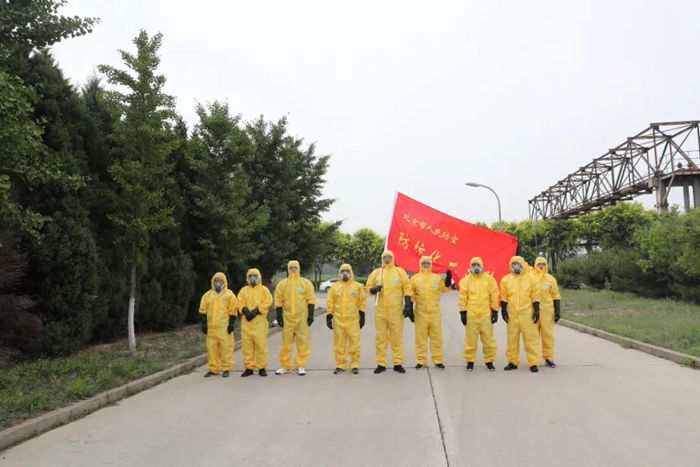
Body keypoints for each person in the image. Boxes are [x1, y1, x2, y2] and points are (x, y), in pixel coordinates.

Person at [366, 250, 413, 374]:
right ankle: (381, 364)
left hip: (395, 311)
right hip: (380, 311)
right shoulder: (377, 273)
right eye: (385, 257)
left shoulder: (399, 272)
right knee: (380, 339)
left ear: (393, 258)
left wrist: (408, 304)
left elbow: (407, 287)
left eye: (389, 257)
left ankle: (398, 363)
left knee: (396, 338)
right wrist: (373, 289)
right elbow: (367, 287)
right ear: (382, 259)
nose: (387, 259)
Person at [274, 260, 317, 376]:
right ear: (288, 269)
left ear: (299, 269)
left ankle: (301, 365)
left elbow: (311, 299)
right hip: (287, 318)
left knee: (302, 342)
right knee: (286, 344)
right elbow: (278, 300)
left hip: (302, 318)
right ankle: (286, 366)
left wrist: (311, 315)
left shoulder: (305, 283)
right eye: (291, 268)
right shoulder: (282, 284)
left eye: (295, 268)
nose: (293, 270)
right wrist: (279, 316)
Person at [500, 256, 542, 373]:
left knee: (531, 339)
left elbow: (535, 295)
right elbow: (504, 297)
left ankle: (533, 363)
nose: (516, 266)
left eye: (518, 264)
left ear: (522, 264)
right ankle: (512, 362)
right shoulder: (506, 280)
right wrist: (504, 311)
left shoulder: (531, 278)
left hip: (527, 314)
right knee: (512, 339)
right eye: (513, 264)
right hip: (512, 315)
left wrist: (536, 310)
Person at [458, 257, 500, 372]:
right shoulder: (466, 281)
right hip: (471, 315)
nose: (476, 267)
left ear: (482, 265)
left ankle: (489, 361)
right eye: (473, 265)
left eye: (478, 265)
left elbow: (494, 295)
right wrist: (462, 312)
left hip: (485, 315)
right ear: (470, 266)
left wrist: (495, 311)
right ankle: (470, 361)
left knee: (488, 340)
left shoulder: (489, 280)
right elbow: (462, 297)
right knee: (470, 340)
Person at [410, 256, 451, 369]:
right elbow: (411, 293)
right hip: (421, 313)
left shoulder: (436, 278)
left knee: (436, 338)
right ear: (420, 264)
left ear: (431, 264)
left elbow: (444, 289)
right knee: (420, 338)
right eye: (423, 263)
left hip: (434, 313)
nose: (426, 265)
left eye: (428, 263)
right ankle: (421, 361)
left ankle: (438, 360)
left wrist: (448, 280)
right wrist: (409, 306)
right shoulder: (415, 279)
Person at [326, 263, 367, 374]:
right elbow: (330, 302)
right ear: (339, 273)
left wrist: (362, 315)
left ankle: (355, 365)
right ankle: (340, 365)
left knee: (354, 344)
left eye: (347, 271)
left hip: (353, 321)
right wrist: (329, 315)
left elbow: (362, 301)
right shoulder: (335, 287)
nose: (345, 273)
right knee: (339, 344)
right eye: (342, 271)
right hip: (339, 321)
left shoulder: (357, 287)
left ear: (351, 272)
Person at [199, 272, 238, 378]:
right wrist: (204, 323)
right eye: (216, 280)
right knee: (212, 349)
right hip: (211, 328)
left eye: (220, 281)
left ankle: (226, 368)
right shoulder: (207, 295)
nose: (218, 283)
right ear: (213, 281)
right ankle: (213, 369)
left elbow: (233, 310)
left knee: (226, 348)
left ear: (224, 282)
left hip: (224, 328)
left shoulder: (229, 295)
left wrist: (231, 323)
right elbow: (203, 310)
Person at [238, 268, 273, 377]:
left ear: (259, 277)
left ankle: (262, 367)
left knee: (261, 345)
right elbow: (239, 302)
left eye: (255, 276)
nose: (252, 278)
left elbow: (268, 302)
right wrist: (245, 311)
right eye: (250, 276)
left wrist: (255, 312)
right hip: (246, 322)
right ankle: (249, 368)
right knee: (247, 346)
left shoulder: (264, 290)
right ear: (247, 278)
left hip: (259, 321)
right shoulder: (243, 290)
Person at [532, 256, 562, 368]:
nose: (541, 266)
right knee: (533, 336)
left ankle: (548, 358)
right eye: (539, 264)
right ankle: (533, 360)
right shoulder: (530, 277)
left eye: (543, 264)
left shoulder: (550, 279)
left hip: (547, 311)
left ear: (546, 265)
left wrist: (557, 311)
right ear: (535, 265)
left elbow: (556, 295)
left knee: (547, 336)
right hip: (533, 311)